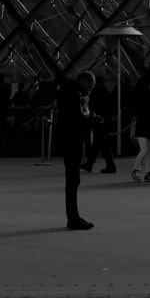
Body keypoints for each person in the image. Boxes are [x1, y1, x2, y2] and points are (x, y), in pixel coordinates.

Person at [55, 71, 97, 229]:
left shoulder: (66, 91)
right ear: (85, 82)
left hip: (66, 138)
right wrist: (88, 117)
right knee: (73, 179)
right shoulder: (76, 95)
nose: (91, 89)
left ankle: (73, 217)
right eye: (91, 86)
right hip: (73, 138)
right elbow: (79, 117)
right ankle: (73, 218)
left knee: (72, 178)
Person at [128, 78, 150, 183]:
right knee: (145, 150)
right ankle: (137, 170)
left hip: (147, 125)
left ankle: (147, 172)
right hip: (144, 126)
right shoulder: (145, 97)